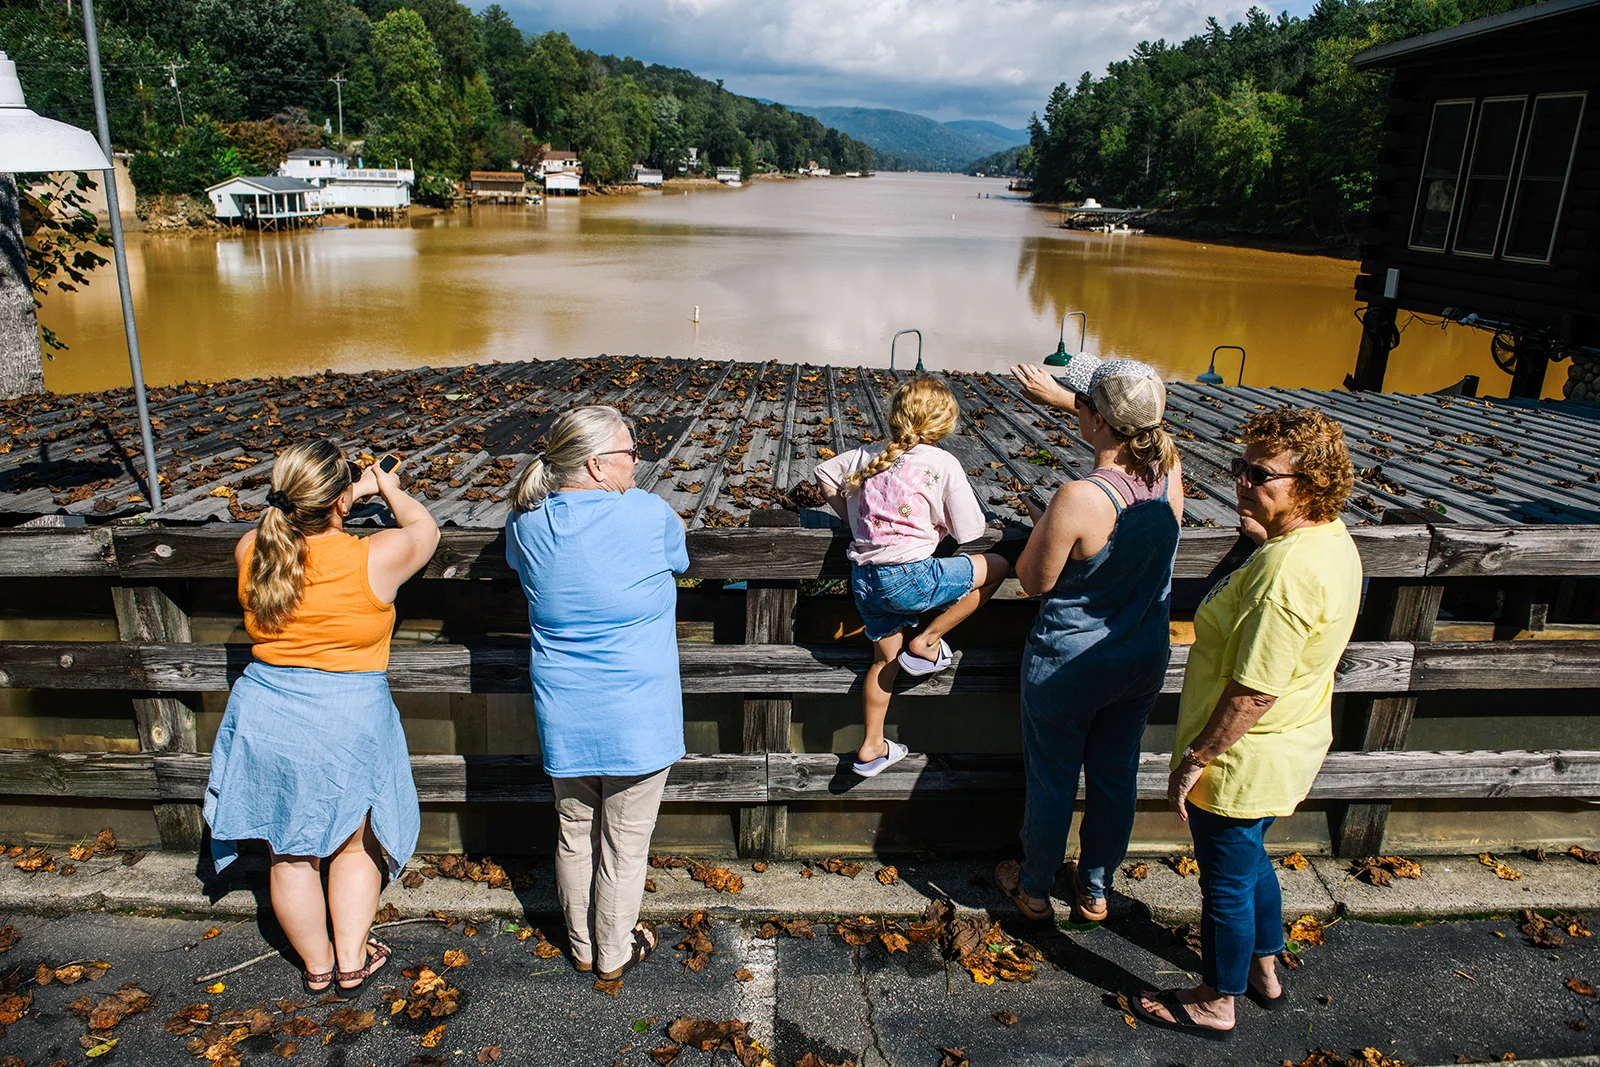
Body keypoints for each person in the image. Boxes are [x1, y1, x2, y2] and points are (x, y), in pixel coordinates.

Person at [1134, 406, 1361, 1039]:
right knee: (1252, 860)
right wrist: (1264, 538)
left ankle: (1217, 1000)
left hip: (1244, 757)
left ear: (1309, 485)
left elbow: (1254, 691)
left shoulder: (1284, 576)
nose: (1241, 481)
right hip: (1292, 740)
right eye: (1240, 466)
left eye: (1259, 474)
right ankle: (1264, 970)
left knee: (1226, 884)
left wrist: (1195, 759)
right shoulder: (1326, 539)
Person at [205, 440, 439, 993]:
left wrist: (344, 494)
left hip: (266, 714)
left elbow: (293, 532)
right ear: (338, 501)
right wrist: (388, 489)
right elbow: (423, 529)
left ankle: (317, 965)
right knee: (354, 845)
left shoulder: (253, 548)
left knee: (290, 854)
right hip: (345, 719)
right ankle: (351, 961)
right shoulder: (374, 555)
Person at [994, 356, 1184, 923]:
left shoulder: (1081, 497)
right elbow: (1133, 438)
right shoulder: (1169, 471)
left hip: (1070, 665)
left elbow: (1034, 580)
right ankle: (1096, 889)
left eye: (1083, 403)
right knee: (1116, 775)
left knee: (1053, 780)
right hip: (1141, 658)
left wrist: (1046, 522)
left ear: (1098, 419)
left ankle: (1034, 890)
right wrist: (1064, 399)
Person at [505, 405, 688, 984]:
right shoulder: (647, 512)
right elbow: (680, 558)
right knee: (624, 843)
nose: (638, 462)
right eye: (630, 452)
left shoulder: (525, 523)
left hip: (564, 709)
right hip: (638, 712)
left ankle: (582, 946)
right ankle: (613, 953)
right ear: (596, 464)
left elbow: (519, 567)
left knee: (574, 832)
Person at [815, 375, 1009, 777]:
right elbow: (971, 532)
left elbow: (824, 473)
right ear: (944, 424)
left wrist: (854, 518)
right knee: (999, 567)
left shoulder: (867, 454)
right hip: (912, 577)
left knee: (883, 661)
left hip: (866, 580)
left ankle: (871, 745)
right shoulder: (943, 463)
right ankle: (927, 641)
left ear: (895, 415)